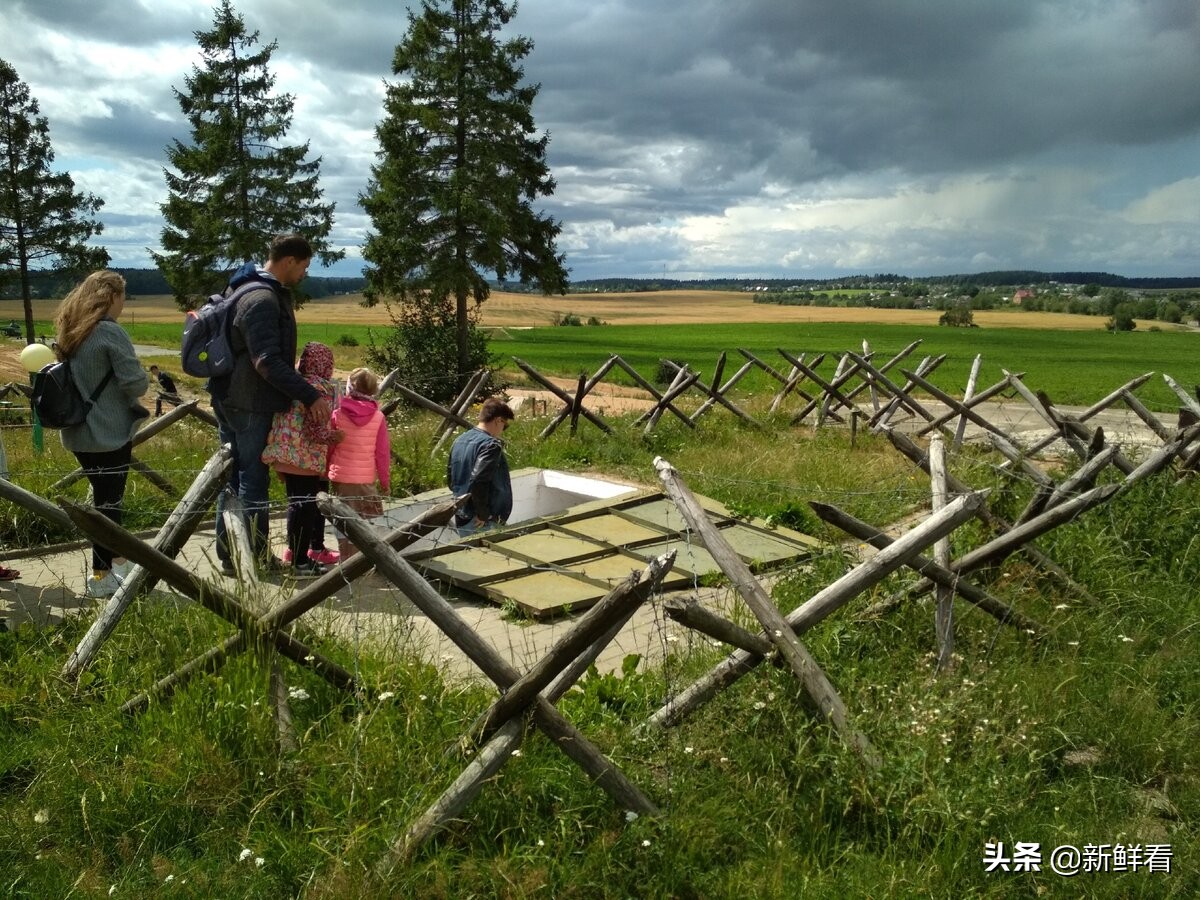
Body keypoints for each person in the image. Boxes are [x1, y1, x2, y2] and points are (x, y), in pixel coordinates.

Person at [209, 234, 329, 577]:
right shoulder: (262, 298)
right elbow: (266, 361)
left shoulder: (243, 288)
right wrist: (310, 395)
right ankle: (253, 557)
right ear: (289, 260)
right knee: (251, 481)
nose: (304, 274)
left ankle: (232, 555)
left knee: (232, 478)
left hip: (231, 396)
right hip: (249, 402)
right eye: (304, 266)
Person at [53, 270, 149, 598]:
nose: (124, 304)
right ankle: (101, 575)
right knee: (110, 505)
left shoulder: (71, 329)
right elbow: (135, 382)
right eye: (123, 297)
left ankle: (117, 562)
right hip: (107, 431)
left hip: (77, 430)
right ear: (112, 297)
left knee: (101, 498)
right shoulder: (109, 331)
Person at [261, 342, 343, 577]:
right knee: (305, 509)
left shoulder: (291, 384)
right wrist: (333, 437)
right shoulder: (321, 388)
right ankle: (301, 562)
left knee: (294, 506)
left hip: (282, 451)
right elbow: (314, 429)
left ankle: (294, 553)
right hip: (304, 458)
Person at [326, 367, 390, 560]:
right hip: (364, 479)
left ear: (349, 388)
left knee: (342, 518)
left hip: (341, 477)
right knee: (363, 520)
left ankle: (345, 557)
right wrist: (385, 482)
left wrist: (326, 468)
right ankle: (359, 558)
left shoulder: (338, 414)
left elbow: (331, 446)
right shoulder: (379, 418)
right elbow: (382, 453)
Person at [447, 398, 515, 537]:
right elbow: (478, 480)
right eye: (505, 425)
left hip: (461, 512)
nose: (503, 430)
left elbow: (450, 479)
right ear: (498, 420)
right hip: (481, 520)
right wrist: (483, 514)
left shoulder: (459, 440)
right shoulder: (490, 445)